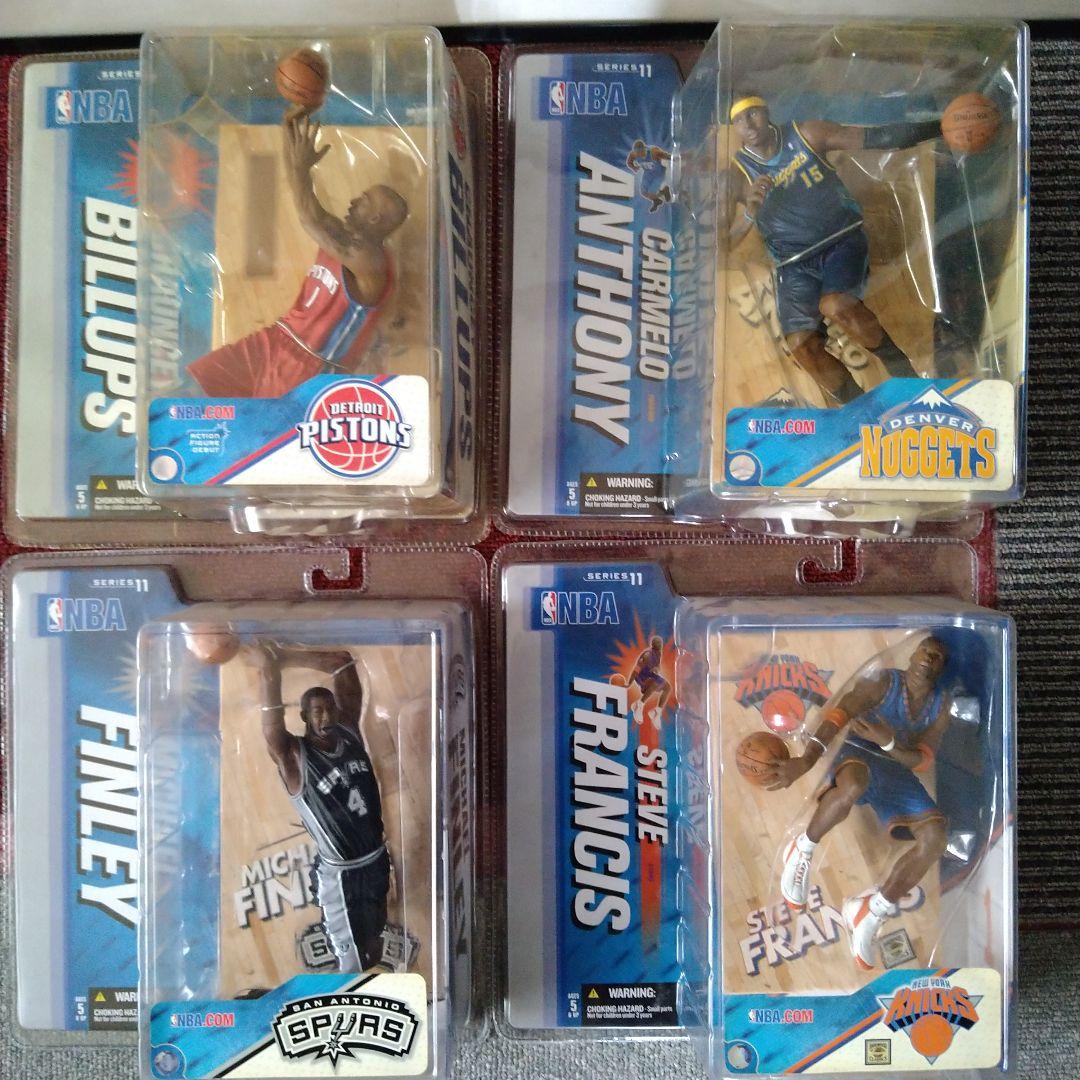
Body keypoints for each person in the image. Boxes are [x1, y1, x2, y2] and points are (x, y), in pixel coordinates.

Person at [725, 94, 940, 404]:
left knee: (836, 305)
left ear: (766, 111)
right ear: (734, 128)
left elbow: (877, 137)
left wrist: (941, 127)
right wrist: (749, 214)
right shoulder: (736, 177)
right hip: (793, 264)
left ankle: (908, 382)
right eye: (738, 120)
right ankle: (858, 410)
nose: (748, 124)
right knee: (801, 345)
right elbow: (722, 244)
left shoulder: (806, 134)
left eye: (752, 113)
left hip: (840, 239)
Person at [188, 109, 407, 398]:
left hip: (309, 365)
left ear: (375, 219)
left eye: (364, 200)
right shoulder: (340, 235)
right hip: (276, 338)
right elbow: (308, 206)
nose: (354, 200)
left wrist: (302, 168)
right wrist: (289, 137)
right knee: (195, 385)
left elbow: (308, 218)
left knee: (261, 423)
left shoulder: (370, 262)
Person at [767, 636, 952, 970]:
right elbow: (839, 713)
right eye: (925, 649)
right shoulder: (885, 683)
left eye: (937, 656)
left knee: (936, 837)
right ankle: (802, 849)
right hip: (859, 753)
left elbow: (922, 761)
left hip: (895, 768)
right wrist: (806, 760)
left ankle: (871, 910)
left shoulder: (940, 706)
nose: (930, 656)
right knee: (852, 785)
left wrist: (889, 742)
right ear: (912, 655)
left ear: (942, 668)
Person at [251, 642, 390, 972]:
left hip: (376, 860)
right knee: (351, 965)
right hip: (342, 875)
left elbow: (343, 663)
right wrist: (271, 669)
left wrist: (289, 655)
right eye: (317, 711)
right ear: (304, 717)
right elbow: (271, 727)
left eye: (330, 709)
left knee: (375, 948)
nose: (326, 716)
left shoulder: (350, 732)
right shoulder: (294, 756)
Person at [627, 139, 672, 212]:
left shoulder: (653, 151)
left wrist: (674, 158)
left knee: (652, 191)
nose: (639, 155)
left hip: (659, 173)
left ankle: (665, 190)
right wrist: (634, 168)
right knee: (643, 192)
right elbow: (629, 162)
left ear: (644, 149)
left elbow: (667, 155)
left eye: (641, 152)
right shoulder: (633, 154)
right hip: (648, 173)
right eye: (637, 153)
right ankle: (657, 200)